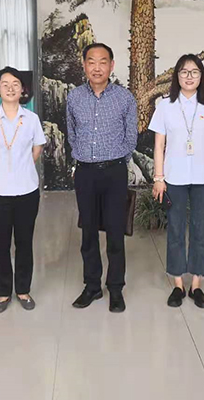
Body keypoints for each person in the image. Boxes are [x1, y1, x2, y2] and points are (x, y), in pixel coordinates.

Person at [149, 54, 204, 309]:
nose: (189, 76)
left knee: (200, 229)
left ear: (201, 76)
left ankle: (196, 284)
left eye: (194, 72)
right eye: (184, 72)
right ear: (177, 76)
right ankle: (177, 284)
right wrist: (158, 178)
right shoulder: (165, 106)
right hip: (174, 177)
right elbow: (159, 145)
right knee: (175, 229)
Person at [66, 43, 138, 313]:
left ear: (111, 65)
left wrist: (116, 160)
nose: (97, 67)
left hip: (114, 171)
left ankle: (116, 288)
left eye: (103, 62)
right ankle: (92, 286)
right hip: (85, 172)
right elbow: (71, 133)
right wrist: (84, 156)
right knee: (88, 232)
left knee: (115, 232)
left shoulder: (124, 98)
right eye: (91, 61)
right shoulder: (74, 97)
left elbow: (131, 137)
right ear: (84, 64)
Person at [0, 67, 46, 313]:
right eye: (5, 84)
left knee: (24, 242)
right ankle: (3, 292)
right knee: (1, 244)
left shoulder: (31, 119)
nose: (11, 88)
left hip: (27, 190)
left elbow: (37, 148)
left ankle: (23, 290)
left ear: (22, 89)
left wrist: (22, 168)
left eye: (16, 83)